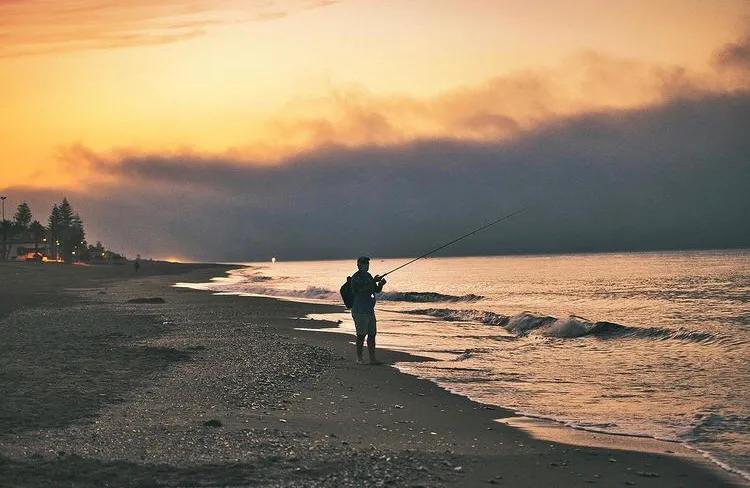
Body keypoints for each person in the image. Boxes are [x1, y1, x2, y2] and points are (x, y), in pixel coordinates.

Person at [350, 256, 386, 364]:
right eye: (364, 263)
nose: (366, 265)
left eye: (367, 263)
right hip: (359, 310)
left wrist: (380, 284)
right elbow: (359, 291)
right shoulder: (355, 277)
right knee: (361, 335)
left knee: (372, 335)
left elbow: (376, 290)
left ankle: (372, 359)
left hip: (370, 310)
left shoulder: (369, 276)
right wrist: (372, 281)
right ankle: (359, 358)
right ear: (358, 265)